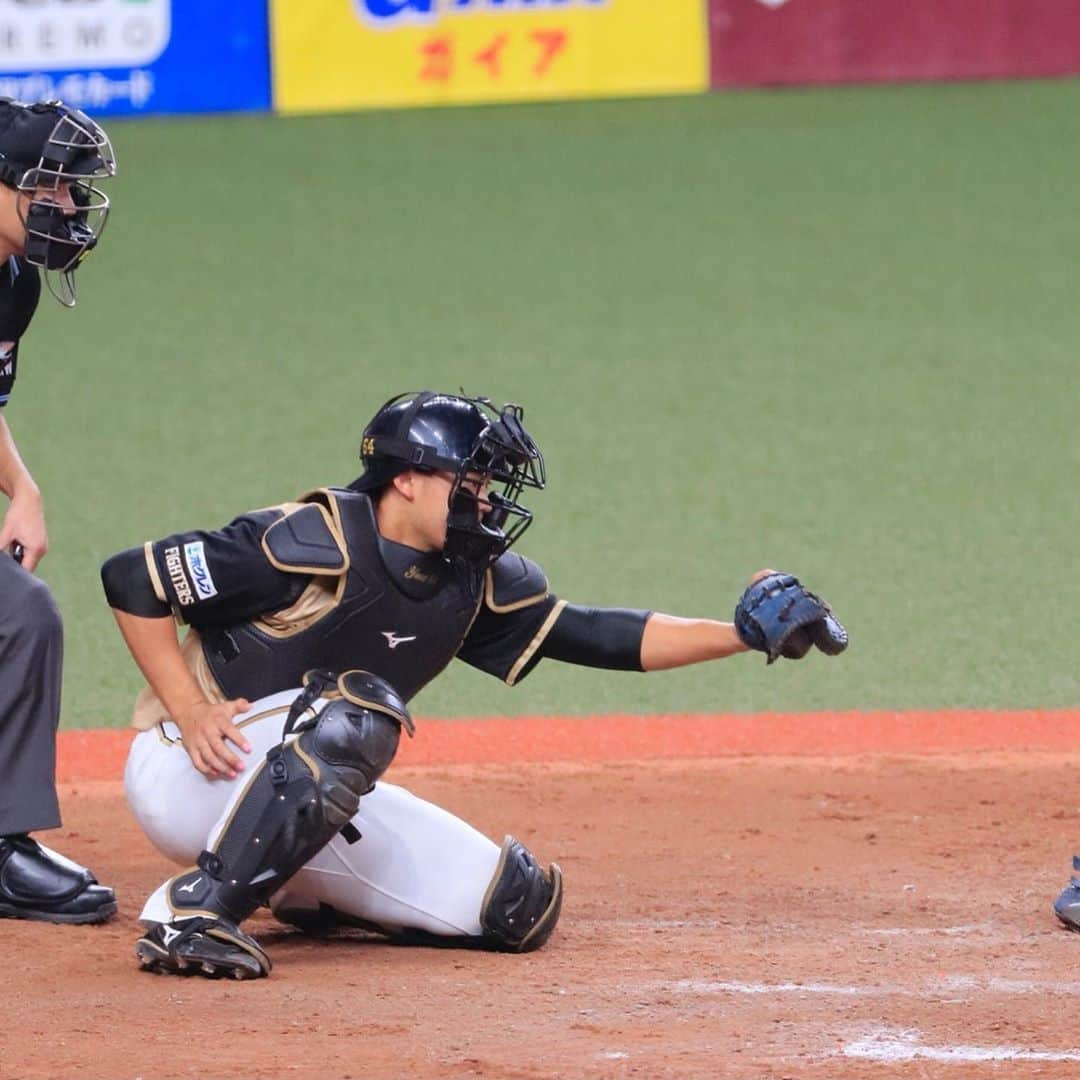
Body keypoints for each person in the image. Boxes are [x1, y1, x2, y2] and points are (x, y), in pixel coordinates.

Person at [101, 390, 847, 978]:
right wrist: (190, 708)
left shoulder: (470, 581)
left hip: (296, 779)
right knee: (360, 712)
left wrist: (740, 634)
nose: (487, 499)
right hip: (194, 768)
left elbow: (591, 634)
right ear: (406, 478)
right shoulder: (309, 541)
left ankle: (302, 886)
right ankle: (194, 911)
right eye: (473, 480)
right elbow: (131, 577)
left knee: (514, 906)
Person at [0, 98, 116, 925]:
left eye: (73, 192)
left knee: (22, 615)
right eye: (51, 190)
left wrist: (23, 488)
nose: (69, 209)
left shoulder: (13, 284)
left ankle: (2, 846)